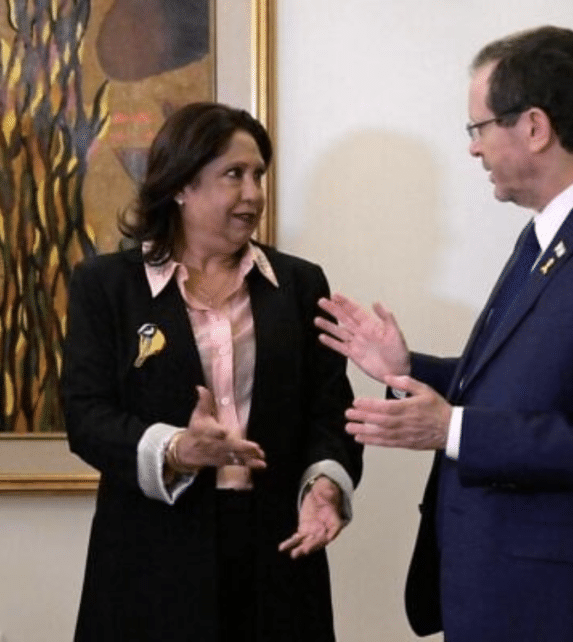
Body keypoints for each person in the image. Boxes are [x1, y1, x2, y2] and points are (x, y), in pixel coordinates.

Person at [316, 26, 573, 642]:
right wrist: (407, 366)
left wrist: (452, 429)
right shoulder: (545, 234)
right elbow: (524, 384)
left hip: (562, 609)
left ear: (535, 127)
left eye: (479, 128)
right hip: (496, 591)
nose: (472, 149)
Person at [62, 102, 363, 642]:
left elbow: (330, 413)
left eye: (258, 175)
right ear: (181, 185)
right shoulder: (107, 286)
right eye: (233, 175)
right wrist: (177, 449)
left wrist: (324, 486)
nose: (253, 193)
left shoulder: (299, 285)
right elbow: (86, 418)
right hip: (151, 556)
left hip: (278, 552)